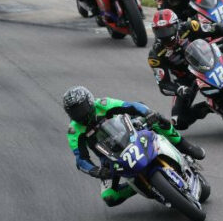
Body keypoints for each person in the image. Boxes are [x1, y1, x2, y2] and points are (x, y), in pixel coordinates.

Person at [63, 86, 205, 207]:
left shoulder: (103, 104)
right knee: (110, 198)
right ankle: (138, 185)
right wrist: (95, 171)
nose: (79, 114)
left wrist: (148, 113)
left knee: (158, 120)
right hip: (109, 158)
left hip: (132, 133)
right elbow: (81, 159)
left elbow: (132, 106)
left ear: (90, 101)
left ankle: (186, 146)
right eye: (74, 111)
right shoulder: (74, 131)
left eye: (81, 108)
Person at [148, 10, 213, 130]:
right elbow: (164, 85)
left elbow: (218, 28)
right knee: (178, 122)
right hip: (187, 78)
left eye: (167, 29)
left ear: (176, 25)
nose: (164, 34)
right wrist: (179, 89)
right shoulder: (155, 55)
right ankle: (209, 107)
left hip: (211, 61)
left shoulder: (190, 26)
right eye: (159, 31)